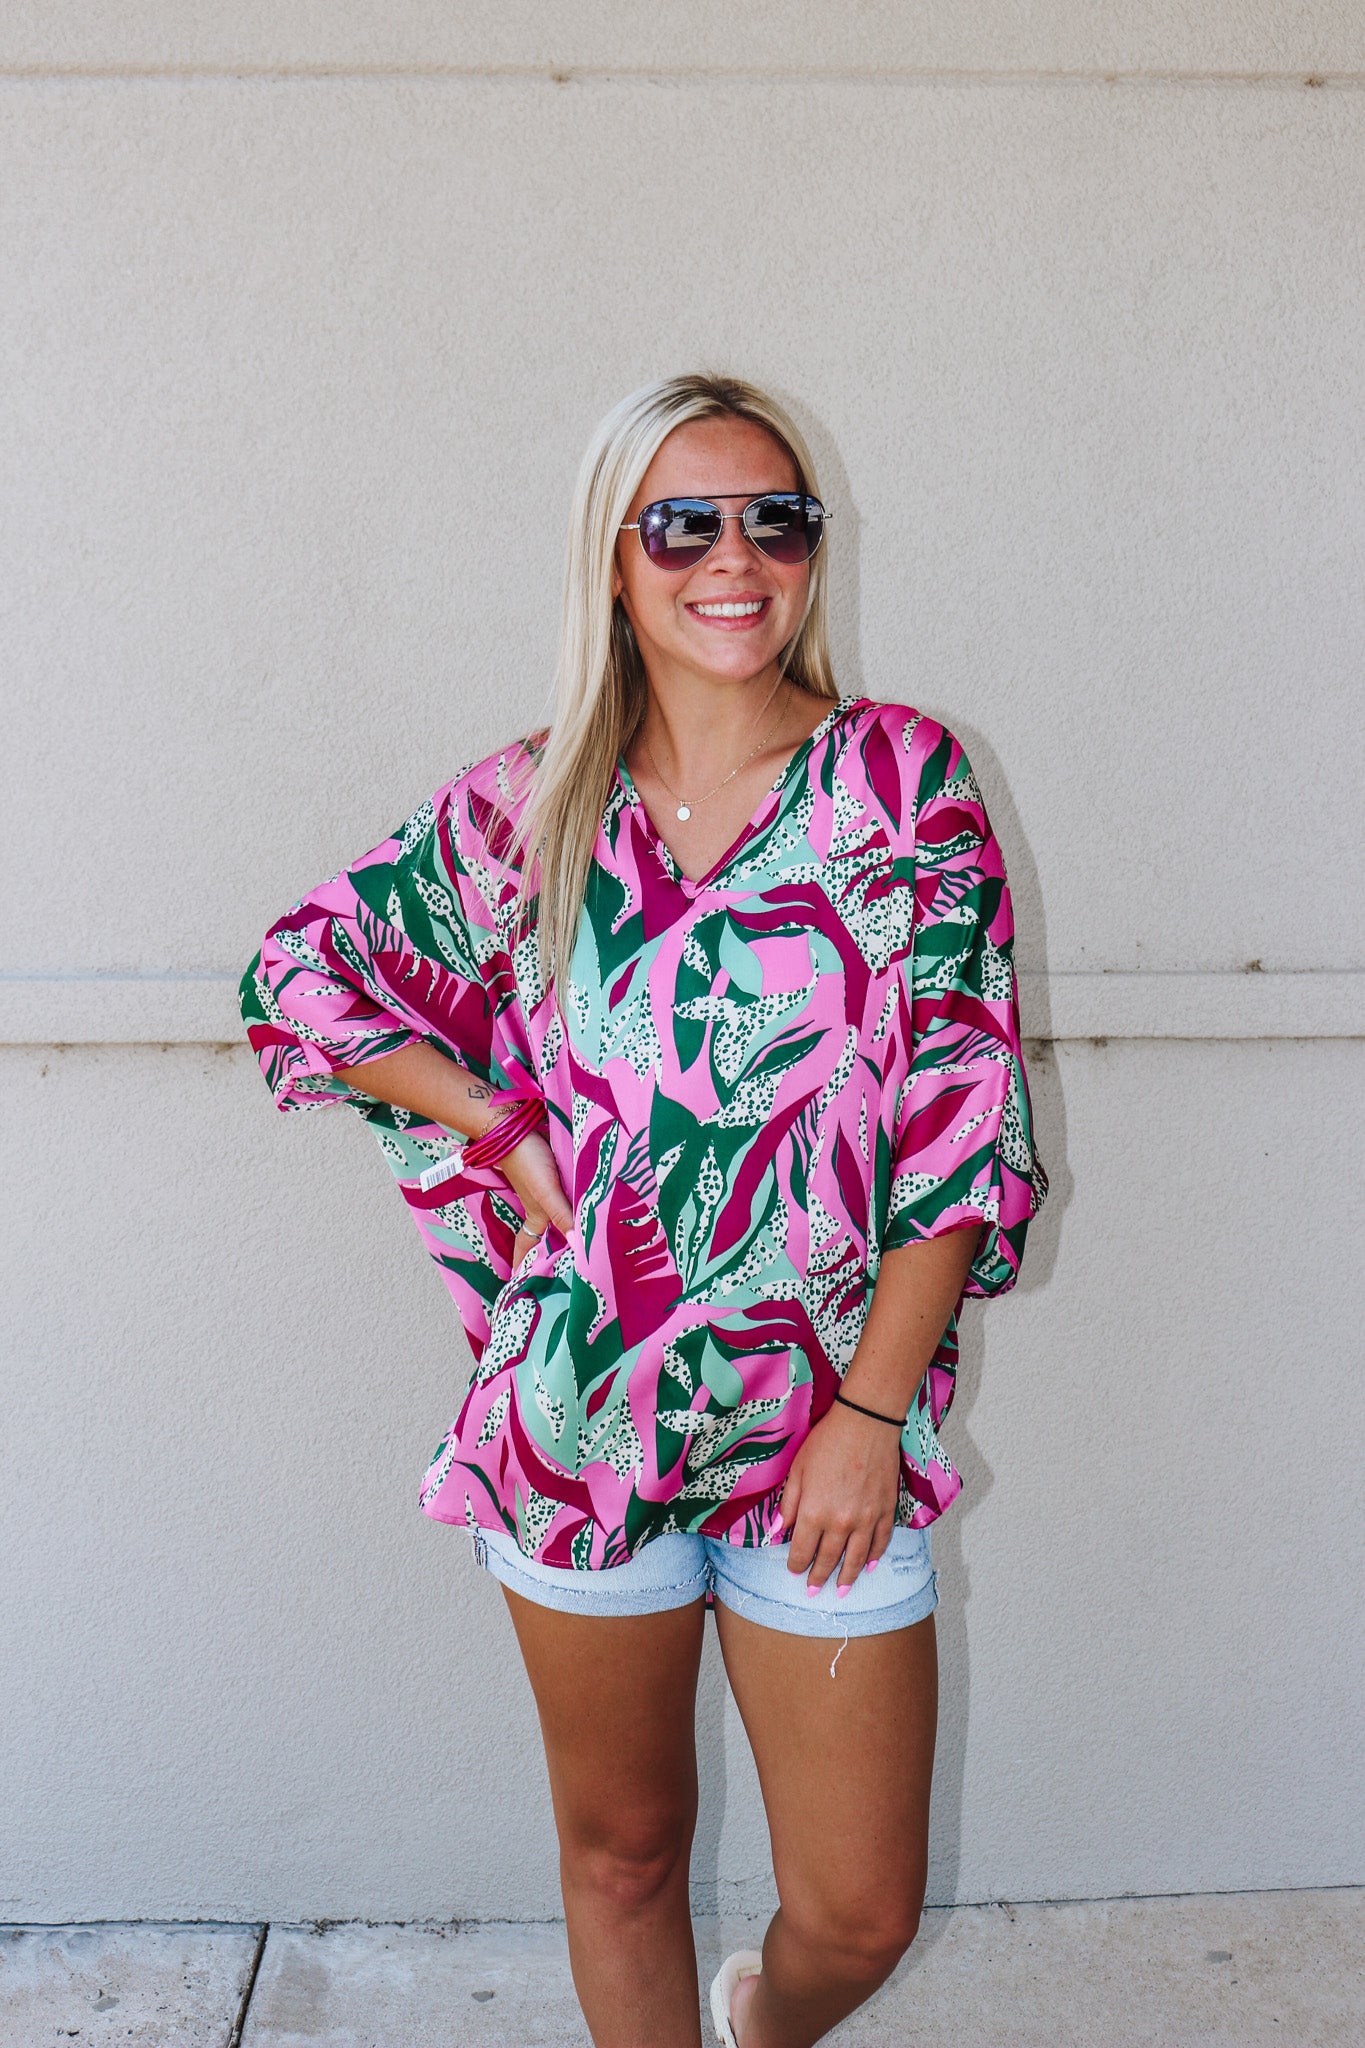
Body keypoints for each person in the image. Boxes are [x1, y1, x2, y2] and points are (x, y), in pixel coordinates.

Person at [240, 372, 1048, 2048]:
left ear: (814, 550)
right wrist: (491, 1120)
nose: (731, 559)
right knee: (622, 1855)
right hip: (579, 1417)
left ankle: (756, 2024)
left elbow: (960, 1125)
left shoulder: (902, 783)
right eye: (681, 525)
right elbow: (298, 973)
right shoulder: (526, 806)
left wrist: (868, 1416)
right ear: (612, 561)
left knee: (856, 1913)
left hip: (826, 1428)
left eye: (774, 521)